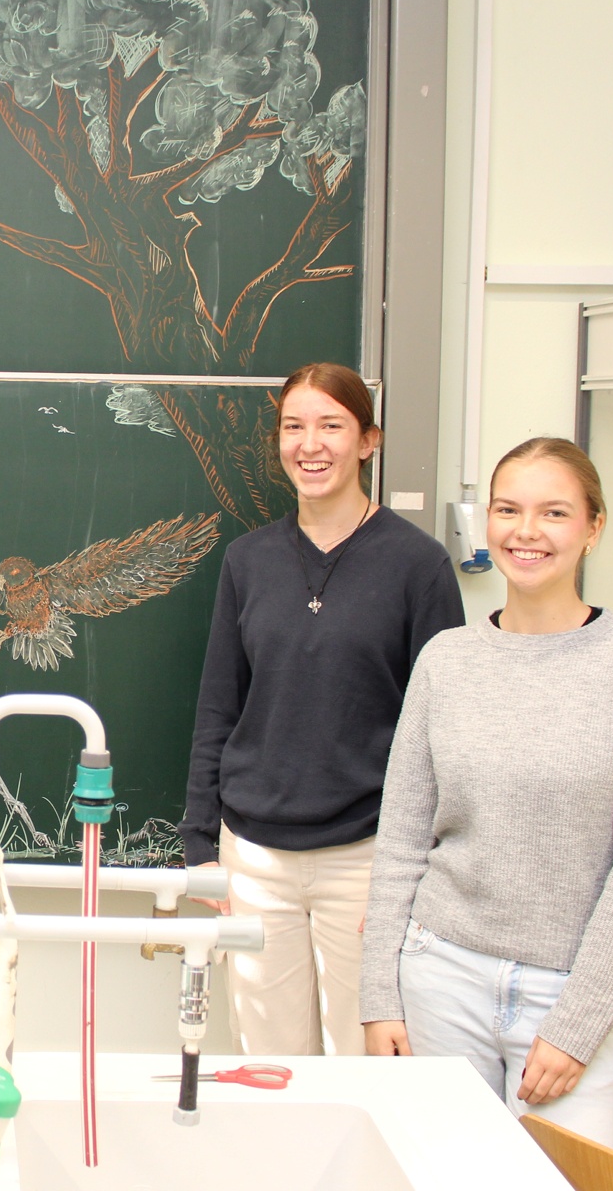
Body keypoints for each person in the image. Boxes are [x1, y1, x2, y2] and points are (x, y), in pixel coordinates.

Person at [359, 437, 613, 1149]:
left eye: (554, 512)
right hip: (439, 978)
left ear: (593, 527)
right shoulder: (447, 660)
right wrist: (379, 996)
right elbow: (405, 836)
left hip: (566, 994)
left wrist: (578, 1026)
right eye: (508, 510)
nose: (526, 532)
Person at [180, 363, 464, 1056]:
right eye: (294, 427)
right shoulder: (247, 562)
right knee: (271, 1066)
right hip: (255, 860)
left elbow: (445, 730)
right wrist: (200, 848)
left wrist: (423, 869)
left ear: (369, 441)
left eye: (332, 426)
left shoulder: (418, 566)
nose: (311, 445)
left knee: (370, 1065)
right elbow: (219, 705)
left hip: (367, 859)